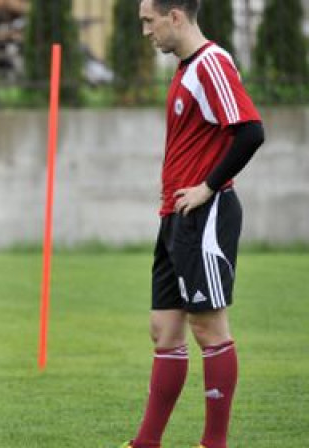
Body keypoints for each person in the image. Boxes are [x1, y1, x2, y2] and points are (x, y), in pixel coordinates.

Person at [121, 2, 265, 448]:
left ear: (176, 16)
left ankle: (213, 443)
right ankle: (146, 442)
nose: (145, 31)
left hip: (206, 213)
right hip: (175, 216)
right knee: (164, 330)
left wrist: (206, 187)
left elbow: (251, 131)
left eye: (150, 21)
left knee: (208, 327)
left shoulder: (211, 63)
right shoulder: (185, 71)